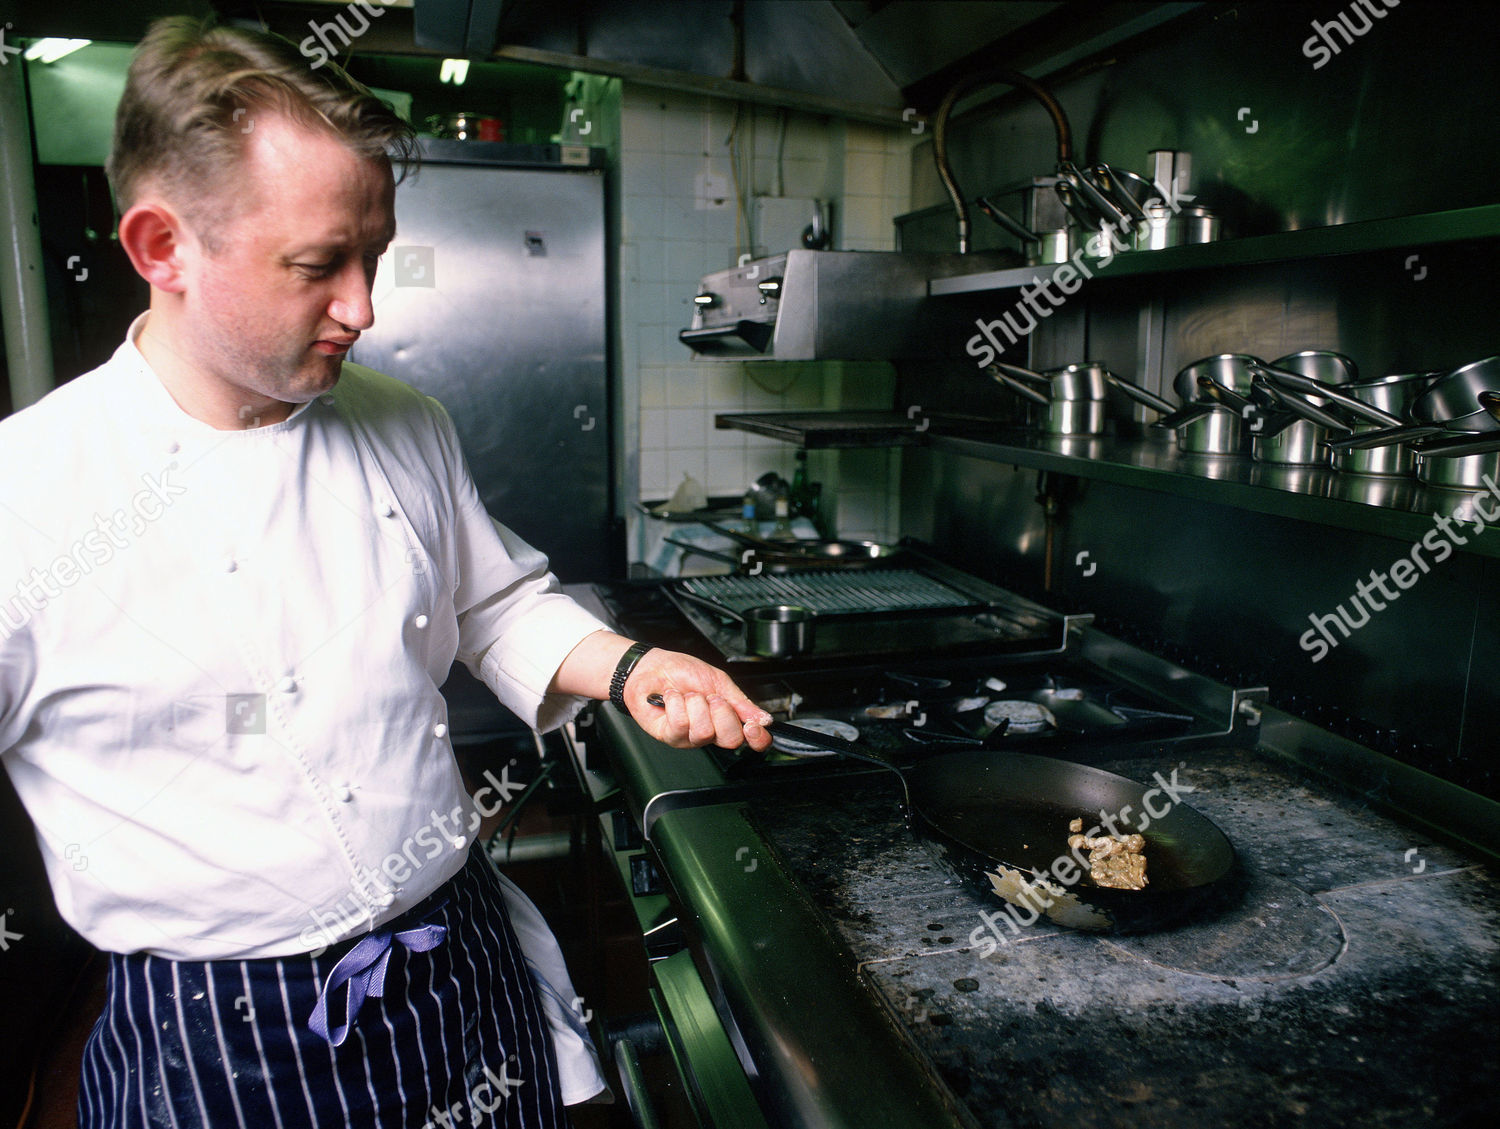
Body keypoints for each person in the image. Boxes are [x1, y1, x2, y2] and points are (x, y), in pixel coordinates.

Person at [0, 16, 772, 1128]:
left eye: (375, 253)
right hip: (224, 1030)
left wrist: (631, 664)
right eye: (319, 265)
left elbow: (495, 603)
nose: (365, 306)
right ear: (161, 247)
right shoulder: (33, 494)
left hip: (454, 960)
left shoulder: (401, 421)